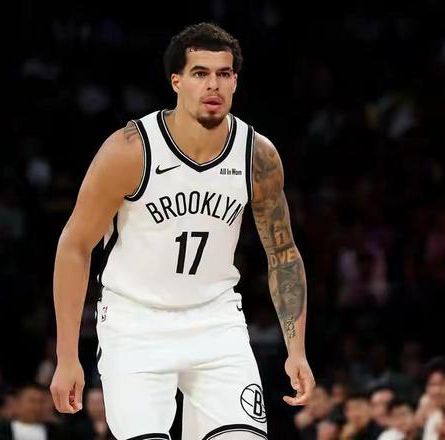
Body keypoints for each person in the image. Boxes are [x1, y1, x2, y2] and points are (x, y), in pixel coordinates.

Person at [50, 22, 315, 439]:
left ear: (235, 81)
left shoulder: (257, 155)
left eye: (223, 74)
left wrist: (296, 349)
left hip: (216, 320)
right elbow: (75, 246)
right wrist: (67, 356)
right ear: (176, 81)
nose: (213, 85)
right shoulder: (131, 150)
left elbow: (282, 253)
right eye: (200, 73)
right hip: (135, 323)